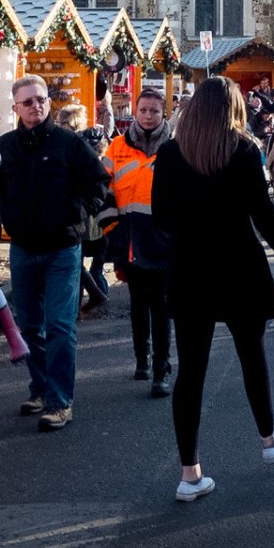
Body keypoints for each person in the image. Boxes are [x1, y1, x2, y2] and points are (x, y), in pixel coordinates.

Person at [152, 77, 274, 502]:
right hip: (239, 267)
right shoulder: (242, 152)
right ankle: (268, 438)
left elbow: (161, 216)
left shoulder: (169, 153)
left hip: (189, 270)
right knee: (252, 357)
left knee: (191, 372)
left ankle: (190, 473)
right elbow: (262, 214)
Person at [0, 75, 112, 432]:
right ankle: (42, 387)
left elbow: (98, 182)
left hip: (63, 247)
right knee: (30, 325)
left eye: (41, 99)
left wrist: (78, 212)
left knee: (60, 326)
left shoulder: (69, 144)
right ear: (15, 107)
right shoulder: (7, 147)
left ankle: (60, 401)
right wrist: (8, 217)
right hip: (24, 247)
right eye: (28, 101)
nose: (36, 106)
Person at [104, 88, 174, 396]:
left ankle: (161, 368)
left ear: (163, 114)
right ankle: (141, 360)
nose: (148, 116)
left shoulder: (175, 149)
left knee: (161, 306)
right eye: (143, 110)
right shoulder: (117, 147)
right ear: (135, 111)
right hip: (128, 238)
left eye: (154, 111)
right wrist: (110, 227)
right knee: (137, 304)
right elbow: (101, 188)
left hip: (163, 241)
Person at [54, 103, 112, 312]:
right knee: (80, 262)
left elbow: (96, 181)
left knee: (75, 261)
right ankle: (93, 296)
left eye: (61, 122)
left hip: (83, 215)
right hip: (86, 213)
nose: (57, 125)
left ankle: (81, 304)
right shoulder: (82, 141)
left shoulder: (77, 145)